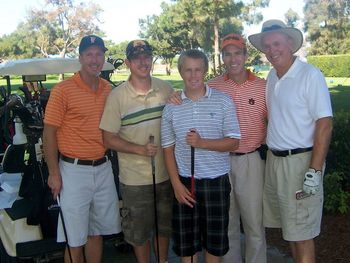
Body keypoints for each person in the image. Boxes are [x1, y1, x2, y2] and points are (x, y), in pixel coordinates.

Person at [248, 20, 333, 263]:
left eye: (277, 43)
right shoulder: (272, 77)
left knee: (303, 235)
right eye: (267, 45)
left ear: (290, 44)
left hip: (301, 164)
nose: (272, 50)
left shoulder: (310, 75)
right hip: (276, 162)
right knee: (292, 233)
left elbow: (325, 124)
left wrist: (314, 171)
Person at [43, 35, 121, 263]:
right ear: (80, 58)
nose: (94, 60)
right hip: (73, 171)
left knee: (96, 233)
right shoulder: (63, 90)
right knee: (75, 238)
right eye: (89, 54)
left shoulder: (109, 90)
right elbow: (48, 133)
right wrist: (54, 173)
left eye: (99, 54)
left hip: (103, 167)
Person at [161, 49, 241, 263]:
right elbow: (167, 149)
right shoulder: (172, 106)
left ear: (205, 71)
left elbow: (234, 141)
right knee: (188, 244)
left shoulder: (223, 101)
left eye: (198, 70)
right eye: (188, 70)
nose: (193, 75)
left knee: (214, 243)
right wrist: (176, 184)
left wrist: (202, 143)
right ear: (180, 72)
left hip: (216, 181)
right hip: (185, 182)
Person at [99, 39, 173, 263]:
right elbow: (108, 138)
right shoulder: (117, 96)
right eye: (137, 57)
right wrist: (139, 149)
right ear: (129, 63)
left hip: (166, 174)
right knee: (139, 234)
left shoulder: (165, 89)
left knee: (163, 228)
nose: (143, 61)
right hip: (134, 180)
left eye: (147, 56)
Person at [208, 34, 267, 263]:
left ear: (245, 55)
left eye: (237, 53)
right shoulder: (212, 86)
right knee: (227, 222)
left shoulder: (262, 87)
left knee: (254, 223)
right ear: (222, 57)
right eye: (227, 54)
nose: (233, 59)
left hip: (250, 160)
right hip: (220, 161)